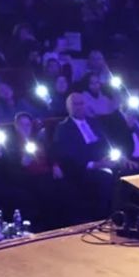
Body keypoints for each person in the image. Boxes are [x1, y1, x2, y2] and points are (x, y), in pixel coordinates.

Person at [50, 93, 121, 223]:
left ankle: (124, 216)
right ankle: (103, 219)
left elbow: (106, 142)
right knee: (104, 179)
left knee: (127, 172)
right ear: (68, 107)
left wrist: (109, 158)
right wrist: (95, 164)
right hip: (82, 168)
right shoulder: (63, 128)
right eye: (75, 104)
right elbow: (68, 155)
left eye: (81, 103)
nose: (79, 107)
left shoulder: (94, 122)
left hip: (103, 160)